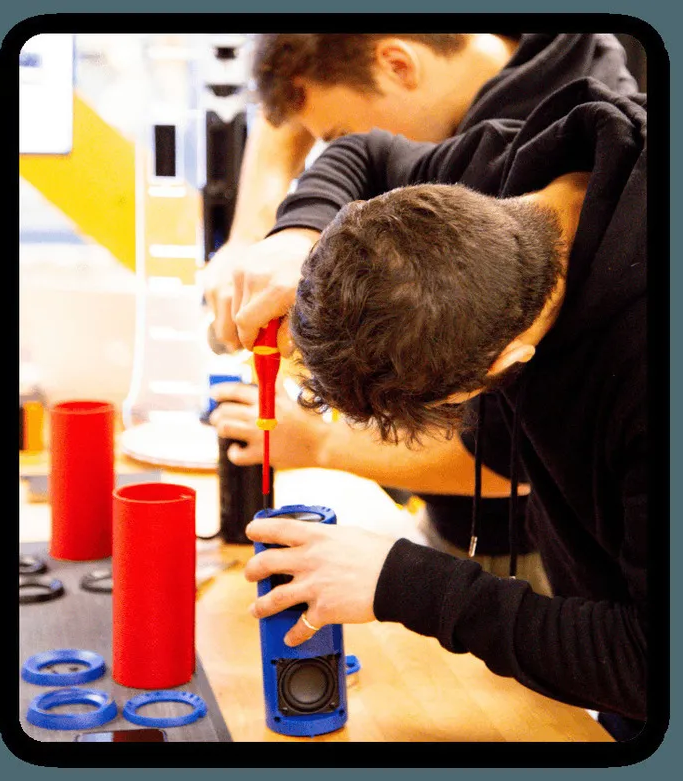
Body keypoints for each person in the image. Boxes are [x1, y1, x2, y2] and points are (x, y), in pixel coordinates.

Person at [235, 77, 648, 740]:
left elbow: (647, 659)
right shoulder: (492, 182)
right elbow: (363, 154)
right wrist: (296, 232)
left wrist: (400, 581)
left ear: (504, 365)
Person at [206, 32, 638, 591]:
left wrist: (324, 444)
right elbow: (362, 152)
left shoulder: (623, 349)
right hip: (474, 544)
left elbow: (505, 460)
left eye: (335, 129)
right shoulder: (507, 160)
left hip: (537, 575)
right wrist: (292, 234)